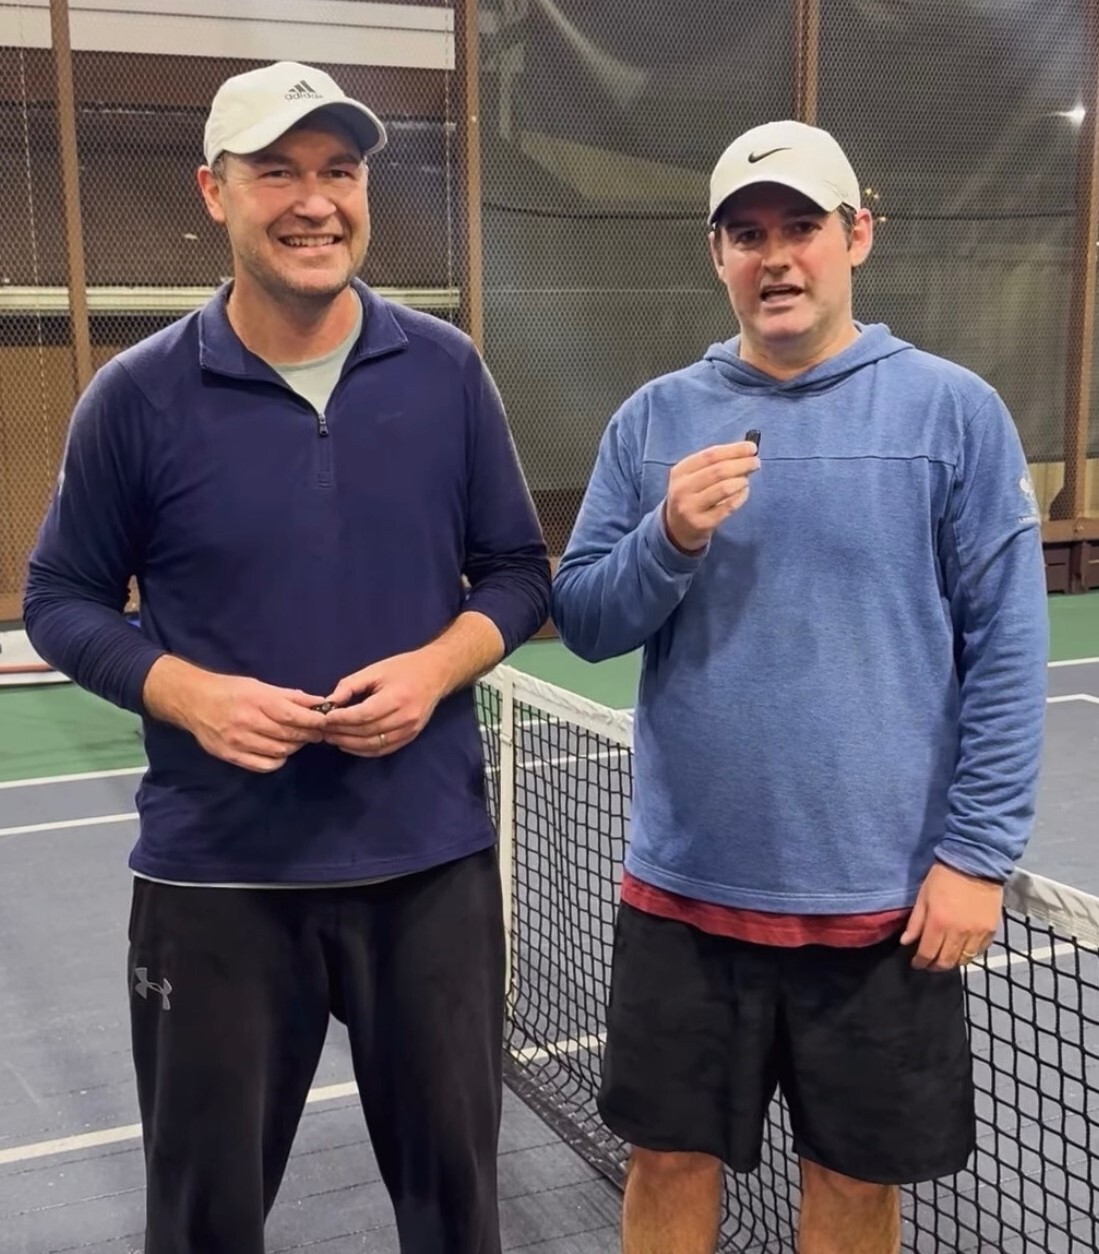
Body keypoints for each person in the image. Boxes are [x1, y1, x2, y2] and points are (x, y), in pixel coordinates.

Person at [23, 60, 550, 1254]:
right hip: (218, 880)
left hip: (427, 871)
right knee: (202, 1224)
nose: (315, 202)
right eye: (277, 173)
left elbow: (519, 573)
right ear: (215, 192)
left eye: (339, 171)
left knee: (457, 1217)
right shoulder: (134, 397)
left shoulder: (447, 372)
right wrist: (184, 691)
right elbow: (59, 598)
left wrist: (433, 668)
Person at [551, 119, 1048, 1254]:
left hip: (881, 910)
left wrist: (976, 856)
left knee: (853, 1184)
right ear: (717, 254)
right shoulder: (652, 420)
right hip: (683, 897)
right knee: (666, 1163)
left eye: (800, 228)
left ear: (856, 235)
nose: (774, 257)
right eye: (746, 235)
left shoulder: (953, 415)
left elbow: (1007, 651)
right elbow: (582, 620)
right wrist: (667, 537)